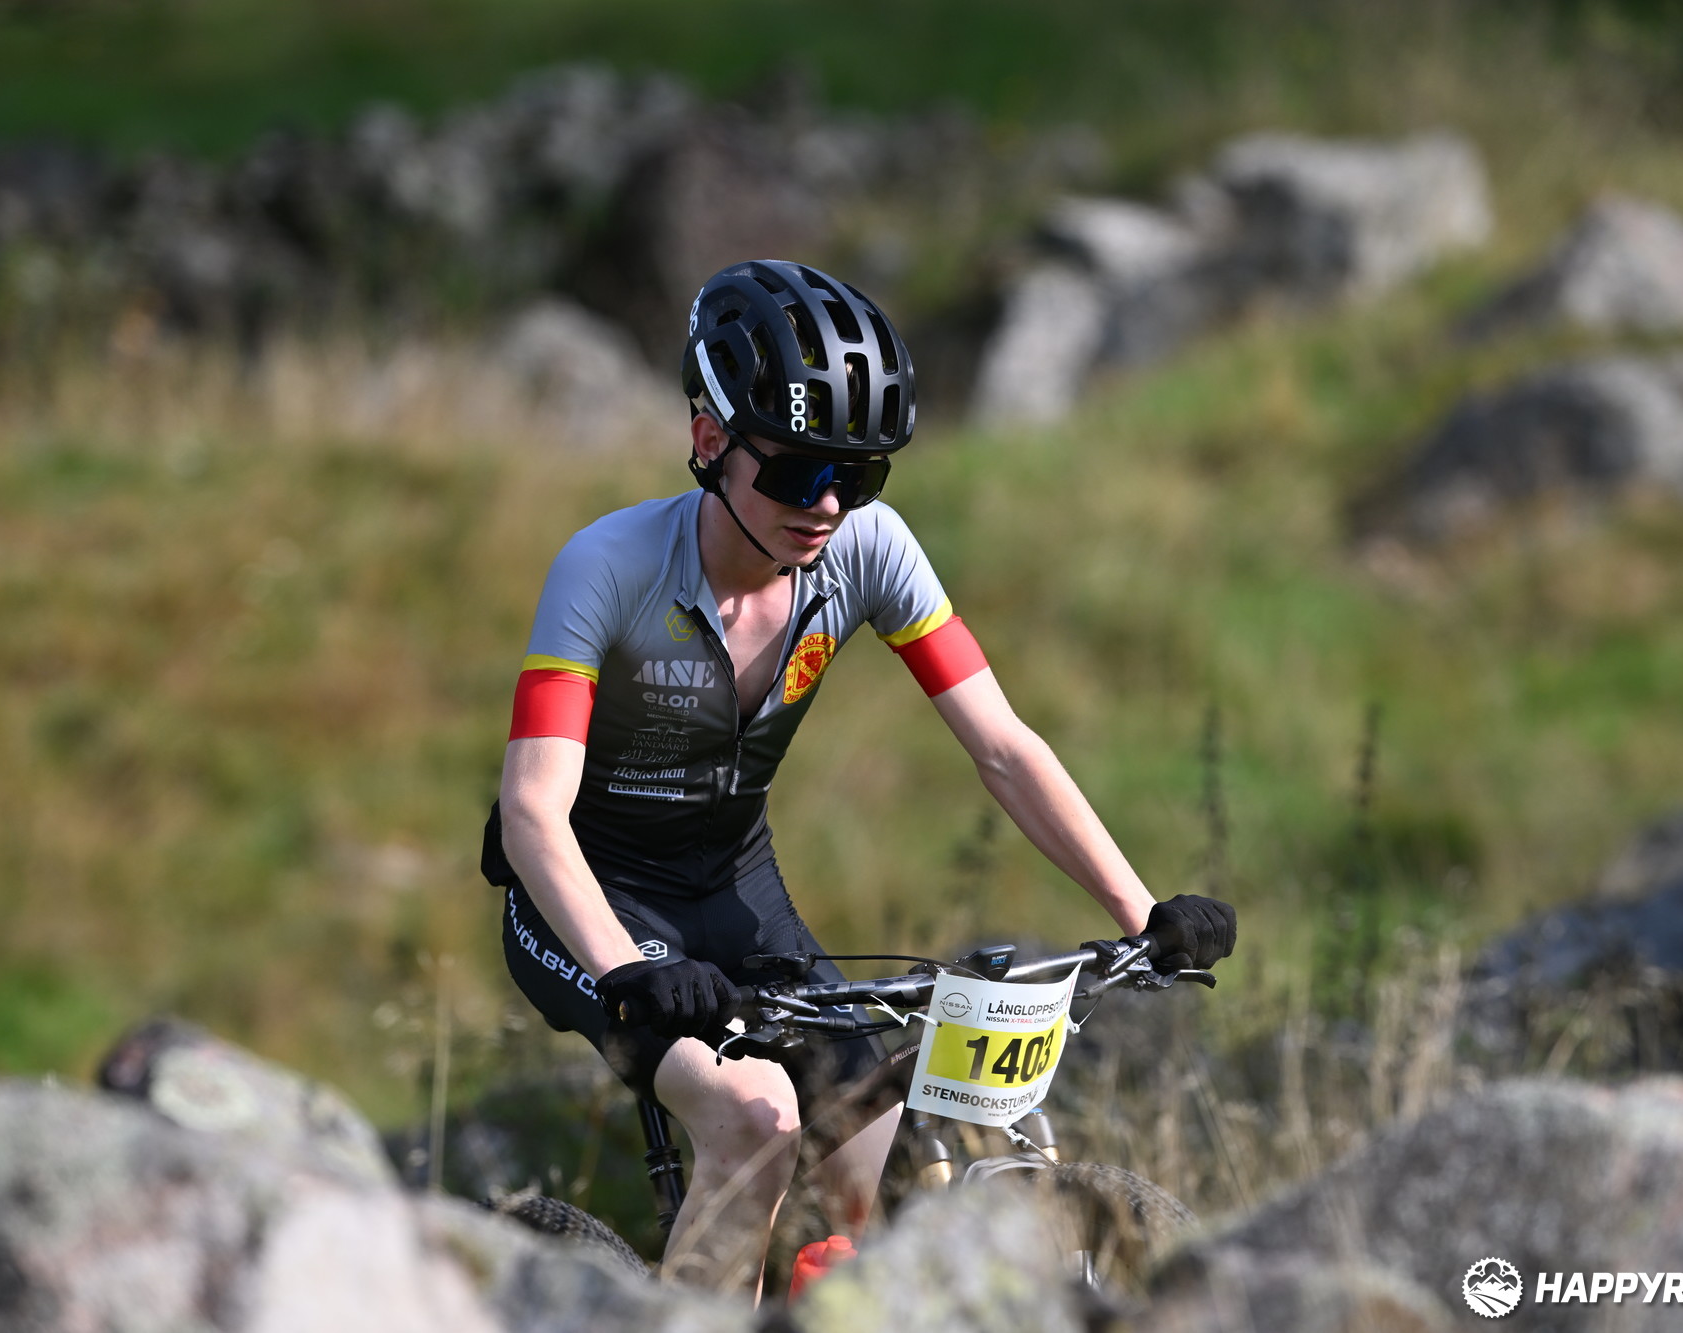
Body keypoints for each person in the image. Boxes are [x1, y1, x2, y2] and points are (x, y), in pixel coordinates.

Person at [483, 259, 1235, 1295]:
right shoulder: (607, 568)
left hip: (734, 887)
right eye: (798, 473)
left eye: (860, 475)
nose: (829, 504)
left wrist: (1142, 913)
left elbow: (1003, 745)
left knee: (886, 1161)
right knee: (755, 1119)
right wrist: (627, 971)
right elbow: (531, 811)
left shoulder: (866, 549)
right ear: (708, 439)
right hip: (589, 901)